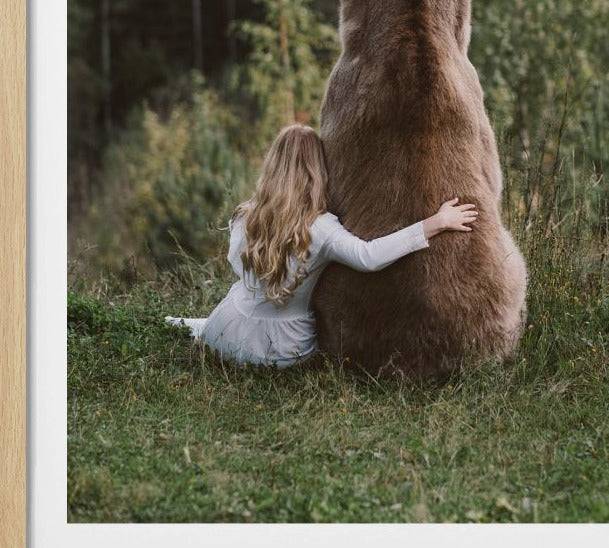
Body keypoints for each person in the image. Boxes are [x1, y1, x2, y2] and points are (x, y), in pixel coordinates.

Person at [165, 124, 478, 369]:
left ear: (273, 165)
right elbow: (369, 256)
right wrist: (435, 222)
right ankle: (188, 325)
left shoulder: (246, 216)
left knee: (233, 302)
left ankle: (190, 326)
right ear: (318, 170)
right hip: (285, 350)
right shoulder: (321, 227)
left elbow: (238, 268)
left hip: (228, 333)